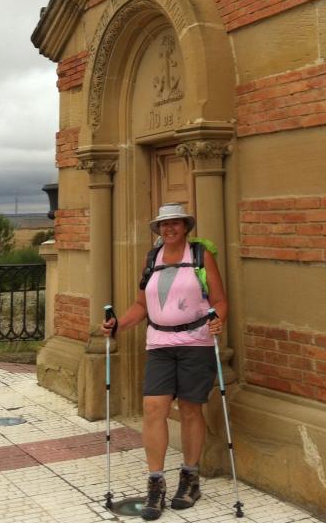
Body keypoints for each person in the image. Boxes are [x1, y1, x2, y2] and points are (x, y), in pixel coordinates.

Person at [101, 202, 228, 521]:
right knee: (153, 407)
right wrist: (118, 324)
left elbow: (220, 300)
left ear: (186, 226)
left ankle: (189, 478)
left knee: (189, 408)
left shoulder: (200, 255)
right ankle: (155, 483)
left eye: (175, 223)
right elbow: (140, 305)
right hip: (159, 343)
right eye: (163, 224)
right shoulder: (152, 258)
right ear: (157, 229)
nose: (169, 229)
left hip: (195, 343)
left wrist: (218, 321)